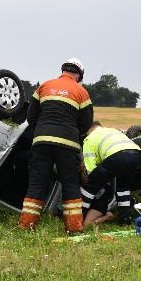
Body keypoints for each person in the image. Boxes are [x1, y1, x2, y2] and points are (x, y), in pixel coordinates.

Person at [18, 58, 93, 234]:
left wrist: (42, 131)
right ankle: (74, 228)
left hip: (41, 142)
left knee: (37, 183)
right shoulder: (81, 92)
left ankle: (26, 226)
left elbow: (31, 116)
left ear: (63, 71)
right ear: (78, 75)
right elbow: (86, 123)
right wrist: (73, 132)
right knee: (70, 184)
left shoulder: (44, 86)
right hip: (67, 144)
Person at [81, 122, 141, 227]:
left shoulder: (89, 139)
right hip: (136, 154)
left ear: (87, 130)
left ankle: (80, 215)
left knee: (89, 186)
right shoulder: (111, 130)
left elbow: (91, 170)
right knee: (123, 188)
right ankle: (125, 219)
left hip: (117, 155)